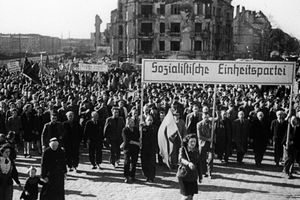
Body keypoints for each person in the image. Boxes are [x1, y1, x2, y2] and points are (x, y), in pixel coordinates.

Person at [178, 134, 202, 200]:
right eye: (191, 141)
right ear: (187, 142)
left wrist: (200, 176)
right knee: (185, 196)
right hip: (184, 175)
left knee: (190, 197)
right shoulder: (183, 149)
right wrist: (188, 163)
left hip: (193, 177)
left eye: (194, 141)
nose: (193, 143)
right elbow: (180, 159)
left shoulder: (196, 151)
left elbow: (199, 164)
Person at [122, 117, 140, 183]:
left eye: (133, 122)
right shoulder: (125, 130)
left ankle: (132, 176)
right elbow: (127, 140)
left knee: (134, 162)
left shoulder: (136, 129)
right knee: (127, 162)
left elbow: (138, 137)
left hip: (135, 149)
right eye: (131, 122)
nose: (133, 123)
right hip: (127, 148)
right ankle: (126, 176)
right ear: (128, 123)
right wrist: (137, 143)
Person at [197, 112, 214, 178]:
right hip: (203, 144)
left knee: (211, 158)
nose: (206, 119)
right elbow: (199, 136)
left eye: (207, 117)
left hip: (210, 144)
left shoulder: (211, 124)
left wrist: (212, 140)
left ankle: (210, 172)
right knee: (202, 159)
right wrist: (208, 139)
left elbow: (214, 133)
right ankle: (203, 172)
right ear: (202, 117)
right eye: (204, 117)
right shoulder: (199, 124)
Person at [141, 115, 157, 182]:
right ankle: (146, 175)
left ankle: (152, 176)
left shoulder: (155, 128)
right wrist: (140, 128)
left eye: (151, 120)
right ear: (146, 121)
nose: (150, 121)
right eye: (148, 120)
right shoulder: (143, 128)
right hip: (144, 148)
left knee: (152, 163)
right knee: (144, 163)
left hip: (152, 148)